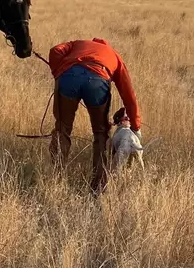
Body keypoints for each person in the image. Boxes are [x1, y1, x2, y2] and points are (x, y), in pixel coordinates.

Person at [46, 38, 142, 194]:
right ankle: (97, 187)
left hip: (68, 78)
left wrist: (59, 72)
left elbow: (55, 50)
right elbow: (129, 95)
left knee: (62, 129)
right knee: (101, 133)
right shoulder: (114, 55)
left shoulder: (77, 44)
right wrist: (136, 126)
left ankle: (57, 181)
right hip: (97, 81)